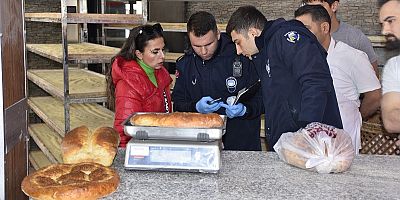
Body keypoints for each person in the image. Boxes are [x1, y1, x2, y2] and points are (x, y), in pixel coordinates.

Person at [226, 5, 343, 151]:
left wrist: (306, 132)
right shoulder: (264, 53)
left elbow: (315, 81)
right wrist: (246, 109)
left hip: (314, 143)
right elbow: (273, 98)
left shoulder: (287, 38)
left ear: (253, 32)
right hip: (287, 146)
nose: (238, 50)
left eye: (238, 42)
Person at [294, 5, 382, 154]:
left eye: (306, 28)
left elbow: (374, 95)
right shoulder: (299, 58)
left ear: (324, 28)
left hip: (343, 146)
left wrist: (358, 115)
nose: (301, 35)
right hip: (310, 144)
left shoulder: (352, 57)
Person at [172, 11, 263, 151]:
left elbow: (264, 98)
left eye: (209, 44)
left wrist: (246, 110)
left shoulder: (243, 53)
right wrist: (196, 107)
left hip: (242, 145)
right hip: (200, 145)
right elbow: (178, 104)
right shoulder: (186, 64)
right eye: (196, 46)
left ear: (218, 34)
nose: (203, 51)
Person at [106, 24, 172, 147]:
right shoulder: (128, 85)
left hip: (156, 145)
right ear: (139, 54)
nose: (162, 56)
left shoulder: (160, 74)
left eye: (163, 50)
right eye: (155, 52)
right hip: (140, 151)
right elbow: (124, 131)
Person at [302, 0, 380, 78]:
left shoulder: (355, 38)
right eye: (307, 7)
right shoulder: (300, 36)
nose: (312, 13)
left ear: (334, 6)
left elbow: (373, 78)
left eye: (318, 8)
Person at [379, 0, 400, 135]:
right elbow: (391, 120)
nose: (384, 31)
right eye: (382, 24)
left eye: (391, 21)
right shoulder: (394, 66)